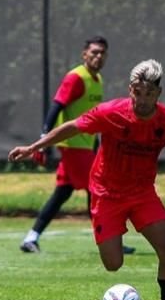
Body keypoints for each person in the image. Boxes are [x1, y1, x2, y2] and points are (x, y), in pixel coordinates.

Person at [10, 59, 165, 300]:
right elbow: (73, 126)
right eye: (138, 93)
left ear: (158, 93)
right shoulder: (111, 112)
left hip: (142, 193)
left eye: (150, 94)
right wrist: (34, 147)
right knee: (113, 264)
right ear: (131, 89)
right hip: (106, 192)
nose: (143, 100)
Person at [20, 36, 134, 255]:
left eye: (102, 53)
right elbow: (56, 106)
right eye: (94, 52)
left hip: (85, 146)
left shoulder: (97, 79)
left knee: (62, 194)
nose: (98, 56)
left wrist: (97, 145)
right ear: (84, 54)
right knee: (99, 190)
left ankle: (31, 238)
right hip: (73, 147)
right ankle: (110, 242)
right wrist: (43, 141)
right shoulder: (75, 78)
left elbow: (94, 118)